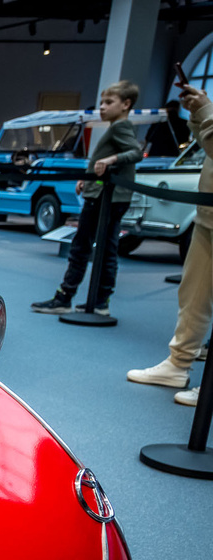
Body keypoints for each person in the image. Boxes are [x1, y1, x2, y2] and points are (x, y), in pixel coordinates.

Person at [127, 83, 213, 406]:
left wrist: (205, 111)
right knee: (192, 296)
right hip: (208, 213)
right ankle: (178, 364)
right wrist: (199, 113)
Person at [32, 81, 144, 315]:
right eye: (102, 102)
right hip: (105, 195)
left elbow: (135, 152)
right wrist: (89, 177)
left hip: (105, 199)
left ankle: (66, 298)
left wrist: (109, 161)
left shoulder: (120, 128)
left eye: (109, 102)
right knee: (102, 248)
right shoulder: (117, 127)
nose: (102, 107)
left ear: (126, 104)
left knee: (84, 247)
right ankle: (98, 301)